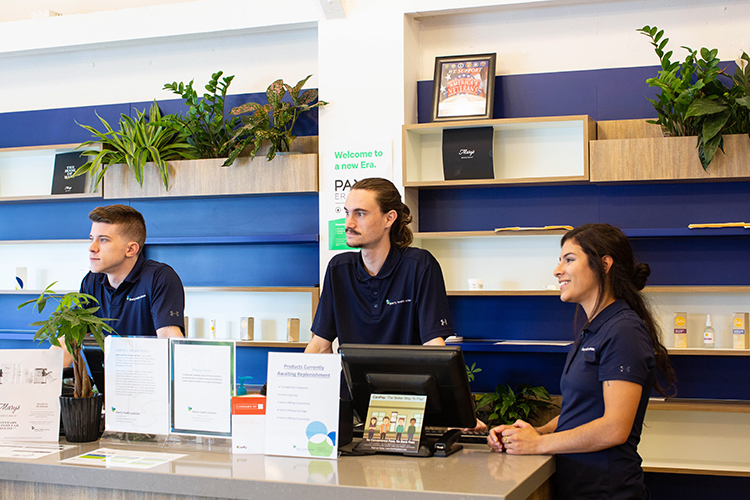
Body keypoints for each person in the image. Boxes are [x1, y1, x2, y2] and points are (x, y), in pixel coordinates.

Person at [487, 223, 676, 500]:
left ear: (604, 264)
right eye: (559, 260)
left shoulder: (623, 330)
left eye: (569, 259)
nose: (557, 270)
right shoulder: (595, 328)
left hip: (607, 491)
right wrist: (529, 434)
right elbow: (583, 412)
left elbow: (614, 428)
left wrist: (538, 444)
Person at [305, 177, 453, 353]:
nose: (348, 223)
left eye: (360, 214)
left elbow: (433, 344)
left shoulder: (419, 266)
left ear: (389, 219)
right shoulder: (339, 268)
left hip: (406, 381)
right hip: (352, 381)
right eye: (347, 213)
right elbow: (320, 344)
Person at [60, 205, 185, 366]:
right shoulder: (91, 281)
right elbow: (68, 341)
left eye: (103, 240)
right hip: (104, 386)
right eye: (92, 239)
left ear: (131, 249)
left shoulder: (159, 277)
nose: (91, 248)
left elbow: (169, 340)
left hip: (149, 384)